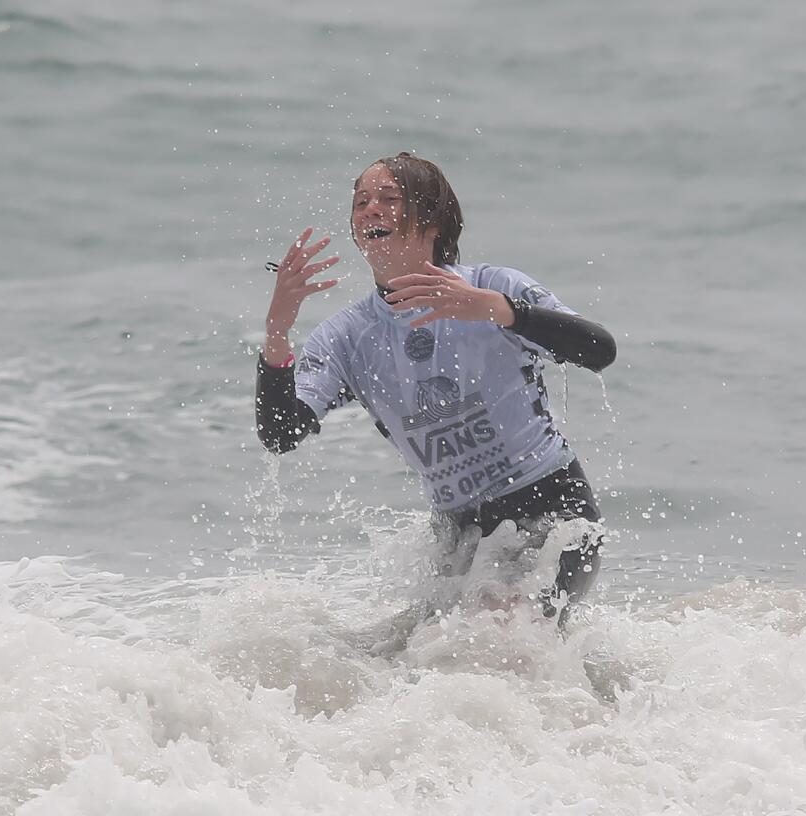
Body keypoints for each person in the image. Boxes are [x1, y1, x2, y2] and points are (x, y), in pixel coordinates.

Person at [255, 152, 616, 626]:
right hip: (459, 536)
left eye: (389, 198)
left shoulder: (493, 288)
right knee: (400, 662)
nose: (370, 210)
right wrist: (278, 333)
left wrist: (504, 311)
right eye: (361, 201)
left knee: (503, 638)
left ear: (433, 220)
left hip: (554, 515)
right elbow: (281, 434)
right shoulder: (346, 338)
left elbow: (599, 350)